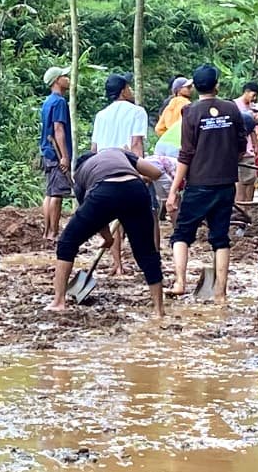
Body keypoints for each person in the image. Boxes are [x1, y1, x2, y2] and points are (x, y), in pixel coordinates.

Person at [47, 148, 165, 317]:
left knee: (67, 242)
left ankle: (59, 301)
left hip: (103, 192)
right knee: (146, 253)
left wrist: (107, 237)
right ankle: (159, 310)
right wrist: (138, 179)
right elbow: (156, 173)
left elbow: (93, 213)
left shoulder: (80, 175)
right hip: (135, 189)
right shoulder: (118, 152)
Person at [164, 64, 246, 302]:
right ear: (216, 85)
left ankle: (180, 282)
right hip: (225, 183)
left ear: (196, 87)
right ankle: (221, 292)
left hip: (198, 183)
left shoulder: (190, 112)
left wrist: (173, 190)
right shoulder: (231, 108)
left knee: (181, 234)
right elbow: (241, 147)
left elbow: (186, 153)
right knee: (220, 237)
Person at [91, 73, 148, 276]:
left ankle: (117, 263)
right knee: (145, 216)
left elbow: (94, 148)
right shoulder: (137, 112)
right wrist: (141, 171)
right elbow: (136, 143)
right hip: (126, 167)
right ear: (123, 90)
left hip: (103, 168)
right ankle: (150, 260)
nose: (130, 90)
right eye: (128, 87)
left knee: (112, 216)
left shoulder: (101, 115)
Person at [39, 66, 74, 242]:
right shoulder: (59, 102)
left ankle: (47, 232)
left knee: (50, 192)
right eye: (64, 76)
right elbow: (58, 129)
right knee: (56, 195)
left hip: (47, 152)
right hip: (56, 154)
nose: (68, 78)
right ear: (56, 81)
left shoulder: (47, 102)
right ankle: (53, 233)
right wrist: (65, 156)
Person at [233, 81, 258, 205]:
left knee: (250, 179)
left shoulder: (253, 107)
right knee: (239, 181)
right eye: (253, 95)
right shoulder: (234, 105)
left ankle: (247, 206)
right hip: (237, 147)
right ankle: (239, 207)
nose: (254, 98)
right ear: (246, 92)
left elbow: (253, 128)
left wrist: (255, 145)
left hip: (249, 148)